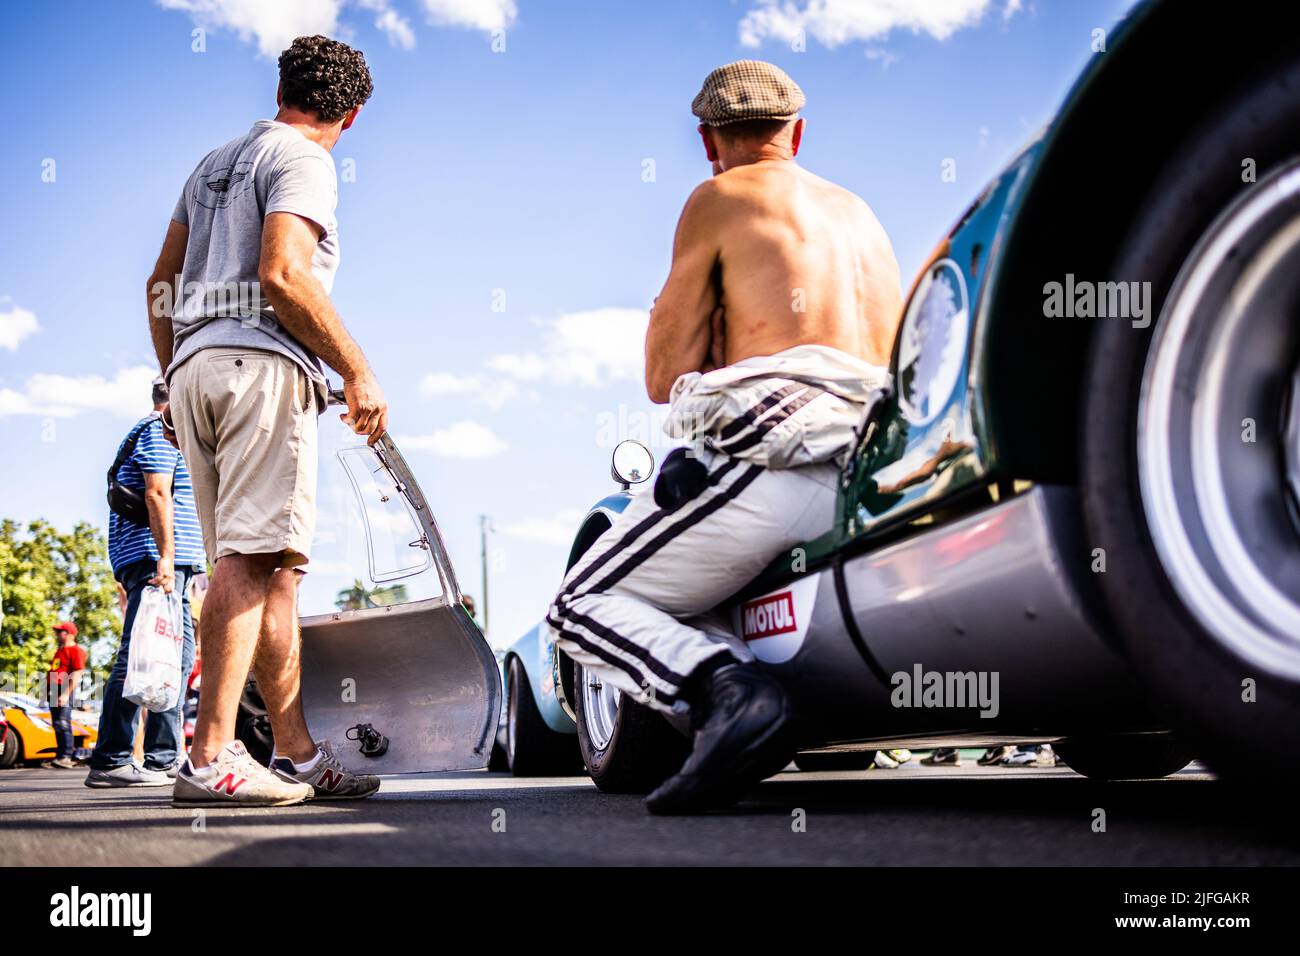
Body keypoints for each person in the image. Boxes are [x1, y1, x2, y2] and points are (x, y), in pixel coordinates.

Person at [548, 60, 902, 814]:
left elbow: (662, 373)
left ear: (708, 142)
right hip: (871, 465)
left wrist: (685, 320)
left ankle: (732, 694)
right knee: (682, 587)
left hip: (782, 457)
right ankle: (747, 701)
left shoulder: (718, 196)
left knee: (579, 603)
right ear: (798, 133)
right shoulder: (860, 214)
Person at [147, 35, 386, 807]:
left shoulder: (212, 163)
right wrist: (356, 369)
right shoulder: (306, 159)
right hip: (260, 369)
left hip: (197, 369)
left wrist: (172, 376)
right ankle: (211, 756)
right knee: (250, 564)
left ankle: (296, 755)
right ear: (351, 116)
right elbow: (283, 271)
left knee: (272, 569)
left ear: (282, 85)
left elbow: (160, 283)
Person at [85, 377, 203, 788]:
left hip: (167, 562)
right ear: (176, 398)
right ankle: (113, 758)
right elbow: (156, 494)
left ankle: (163, 758)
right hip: (157, 561)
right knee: (139, 656)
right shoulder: (158, 432)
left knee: (176, 659)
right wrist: (167, 558)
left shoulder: (161, 433)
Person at [44, 622, 88, 769]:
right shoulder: (60, 651)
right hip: (54, 690)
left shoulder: (76, 651)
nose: (57, 634)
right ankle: (60, 756)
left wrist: (65, 694)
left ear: (69, 633)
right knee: (57, 724)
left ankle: (67, 756)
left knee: (63, 723)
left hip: (64, 690)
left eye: (60, 631)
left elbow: (77, 674)